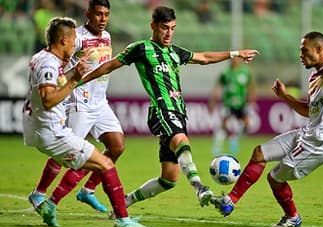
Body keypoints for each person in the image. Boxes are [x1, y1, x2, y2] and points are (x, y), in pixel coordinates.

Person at [78, 6, 259, 214]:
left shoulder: (174, 52)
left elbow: (204, 58)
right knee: (182, 141)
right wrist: (77, 82)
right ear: (153, 26)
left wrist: (235, 53)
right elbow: (109, 66)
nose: (169, 33)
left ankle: (126, 201)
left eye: (173, 28)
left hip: (179, 113)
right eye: (165, 28)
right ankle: (200, 187)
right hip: (161, 110)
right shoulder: (141, 48)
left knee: (168, 179)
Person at [210, 31, 323, 227]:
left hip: (321, 141)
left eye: (304, 51)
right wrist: (285, 96)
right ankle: (230, 201)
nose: (301, 55)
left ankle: (292, 217)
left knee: (275, 178)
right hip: (307, 133)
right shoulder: (315, 76)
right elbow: (309, 111)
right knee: (260, 153)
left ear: (320, 49)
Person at [22, 16, 152, 227]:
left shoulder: (41, 57)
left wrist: (77, 72)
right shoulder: (49, 64)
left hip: (40, 128)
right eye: (73, 40)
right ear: (64, 40)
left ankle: (49, 204)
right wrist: (74, 81)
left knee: (109, 152)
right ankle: (123, 219)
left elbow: (57, 83)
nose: (76, 43)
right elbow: (48, 100)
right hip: (53, 131)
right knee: (106, 164)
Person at [28, 0, 124, 214]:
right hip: (79, 102)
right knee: (68, 153)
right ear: (89, 13)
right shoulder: (76, 37)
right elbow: (60, 62)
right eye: (99, 14)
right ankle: (40, 192)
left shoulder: (106, 37)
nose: (103, 19)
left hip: (100, 102)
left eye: (106, 14)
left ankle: (88, 190)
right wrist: (67, 82)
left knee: (117, 146)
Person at [208, 57, 256, 155]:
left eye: (237, 59)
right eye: (233, 59)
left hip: (241, 103)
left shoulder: (245, 72)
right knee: (224, 124)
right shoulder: (226, 72)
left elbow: (251, 86)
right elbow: (218, 86)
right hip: (228, 103)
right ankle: (217, 145)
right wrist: (213, 100)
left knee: (246, 124)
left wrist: (251, 99)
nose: (234, 60)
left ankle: (234, 139)